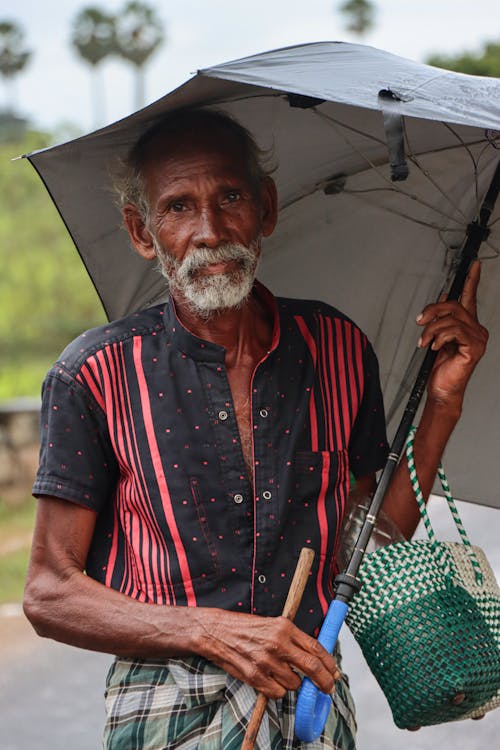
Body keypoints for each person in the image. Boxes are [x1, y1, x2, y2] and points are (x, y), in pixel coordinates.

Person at [24, 109, 488, 750]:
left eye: (231, 197)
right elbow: (50, 593)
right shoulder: (95, 374)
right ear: (141, 230)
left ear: (265, 208)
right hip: (167, 705)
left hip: (308, 702)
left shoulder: (339, 350)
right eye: (179, 207)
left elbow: (371, 542)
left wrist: (442, 402)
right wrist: (212, 631)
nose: (210, 231)